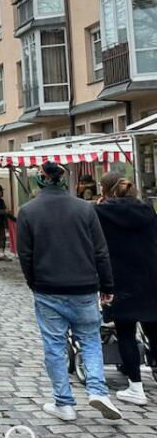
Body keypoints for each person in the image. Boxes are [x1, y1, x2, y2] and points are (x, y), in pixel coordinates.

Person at [16, 161, 120, 421]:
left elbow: (25, 254)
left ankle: (64, 403)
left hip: (48, 287)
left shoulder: (28, 211)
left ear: (40, 179)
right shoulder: (85, 208)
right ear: (64, 179)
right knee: (90, 340)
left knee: (54, 345)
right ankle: (98, 391)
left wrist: (33, 282)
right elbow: (100, 251)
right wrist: (107, 286)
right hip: (84, 286)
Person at [93, 173, 157, 406]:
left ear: (105, 190)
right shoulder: (148, 211)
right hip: (151, 277)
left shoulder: (101, 212)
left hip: (121, 280)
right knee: (154, 331)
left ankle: (136, 388)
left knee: (126, 333)